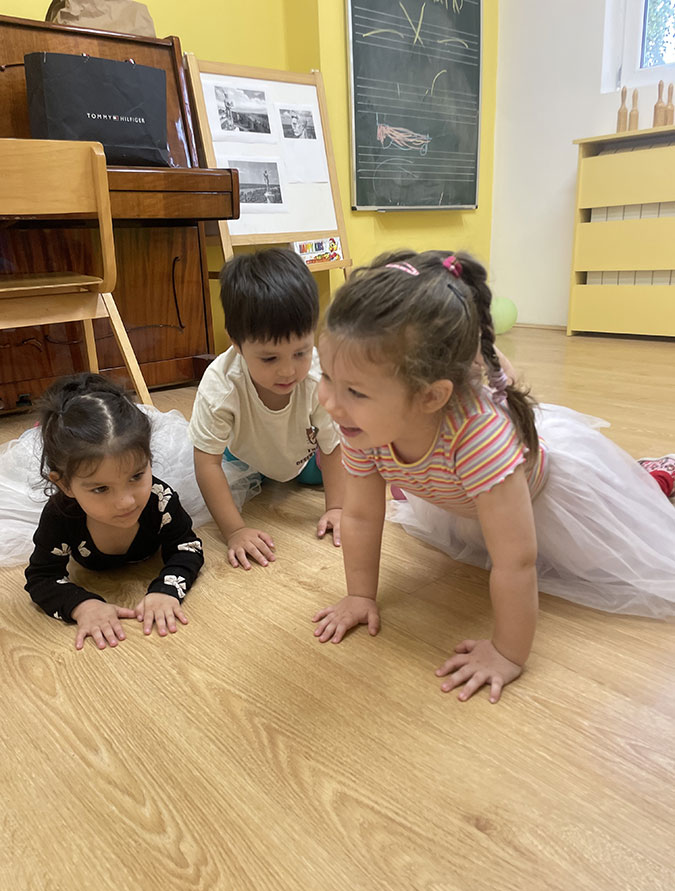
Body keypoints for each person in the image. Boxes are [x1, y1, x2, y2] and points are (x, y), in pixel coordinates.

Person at [312, 249, 675, 703]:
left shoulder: (479, 438)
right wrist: (360, 596)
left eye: (354, 391)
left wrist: (508, 652)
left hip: (546, 497)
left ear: (430, 397)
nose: (330, 402)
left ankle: (655, 475)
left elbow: (516, 560)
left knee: (628, 526)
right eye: (326, 377)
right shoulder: (361, 423)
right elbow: (362, 516)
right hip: (469, 494)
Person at [24, 373, 204, 651]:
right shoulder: (60, 515)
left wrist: (167, 589)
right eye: (100, 489)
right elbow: (41, 577)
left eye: (136, 476)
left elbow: (187, 547)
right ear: (65, 485)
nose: (126, 502)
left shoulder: (160, 499)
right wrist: (82, 605)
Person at [189, 247, 343, 570]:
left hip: (304, 457)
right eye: (270, 358)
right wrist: (235, 530)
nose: (288, 371)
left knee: (348, 458)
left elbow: (332, 447)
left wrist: (337, 508)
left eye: (301, 352)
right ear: (236, 342)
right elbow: (207, 463)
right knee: (234, 475)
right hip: (243, 458)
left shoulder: (318, 376)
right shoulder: (220, 386)